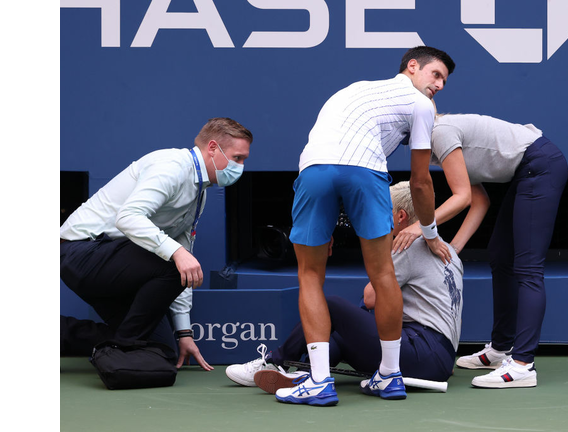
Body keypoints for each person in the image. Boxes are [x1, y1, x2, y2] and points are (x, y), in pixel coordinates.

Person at [282, 46, 456, 406]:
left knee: (310, 275)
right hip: (366, 173)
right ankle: (390, 376)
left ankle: (318, 381)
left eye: (443, 81)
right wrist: (431, 233)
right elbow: (421, 183)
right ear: (412, 66)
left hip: (314, 170)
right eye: (435, 75)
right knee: (383, 274)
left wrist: (327, 223)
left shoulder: (353, 89)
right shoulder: (422, 106)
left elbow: (332, 160)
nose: (438, 85)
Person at [225, 181, 463, 401]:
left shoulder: (407, 244)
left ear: (401, 216)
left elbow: (370, 298)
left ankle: (274, 361)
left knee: (331, 305)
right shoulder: (450, 252)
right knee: (339, 335)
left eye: (383, 210)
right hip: (440, 360)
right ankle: (305, 373)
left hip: (420, 351)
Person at [60, 117, 253, 373]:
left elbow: (185, 266)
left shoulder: (199, 193)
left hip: (114, 266)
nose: (240, 166)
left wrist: (184, 331)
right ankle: (123, 348)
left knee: (161, 350)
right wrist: (175, 251)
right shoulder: (171, 166)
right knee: (174, 261)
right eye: (237, 158)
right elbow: (128, 217)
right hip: (80, 252)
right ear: (213, 148)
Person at [392, 113, 568, 388]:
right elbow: (480, 200)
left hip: (540, 165)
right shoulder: (436, 143)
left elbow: (462, 198)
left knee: (528, 268)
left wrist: (421, 228)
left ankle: (523, 365)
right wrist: (452, 250)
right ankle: (501, 349)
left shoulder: (441, 133)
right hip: (529, 169)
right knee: (500, 254)